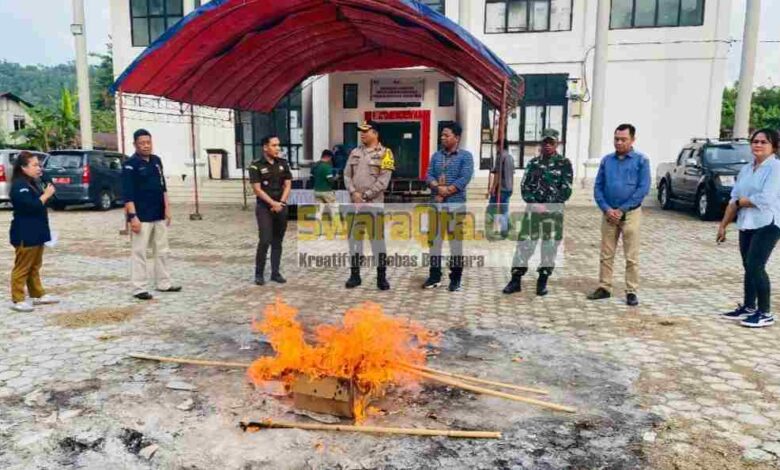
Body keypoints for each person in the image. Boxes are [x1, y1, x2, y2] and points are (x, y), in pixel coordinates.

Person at [717, 128, 780, 328]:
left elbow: (766, 198)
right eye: (755, 141)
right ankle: (749, 306)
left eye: (764, 142)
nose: (758, 145)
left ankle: (765, 312)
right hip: (746, 223)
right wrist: (723, 225)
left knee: (756, 265)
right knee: (748, 265)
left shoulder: (776, 168)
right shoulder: (746, 169)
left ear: (774, 147)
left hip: (768, 223)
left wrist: (742, 202)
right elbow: (733, 199)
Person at [587, 123, 651, 306]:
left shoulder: (641, 161)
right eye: (616, 139)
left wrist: (622, 209)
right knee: (606, 253)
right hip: (609, 213)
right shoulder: (607, 161)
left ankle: (631, 291)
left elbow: (643, 189)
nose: (619, 142)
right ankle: (604, 287)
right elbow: (598, 187)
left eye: (623, 139)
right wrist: (607, 209)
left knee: (631, 255)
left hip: (631, 213)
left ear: (632, 140)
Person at [503, 129, 572, 296]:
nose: (547, 146)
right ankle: (515, 280)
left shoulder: (564, 163)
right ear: (541, 143)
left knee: (549, 247)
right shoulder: (533, 163)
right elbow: (525, 186)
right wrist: (534, 203)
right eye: (545, 142)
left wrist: (547, 206)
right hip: (533, 212)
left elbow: (566, 190)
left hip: (553, 213)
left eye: (551, 143)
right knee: (524, 245)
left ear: (557, 144)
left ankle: (542, 281)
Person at [122, 129, 181, 300]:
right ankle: (139, 288)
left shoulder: (156, 161)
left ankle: (164, 283)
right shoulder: (130, 165)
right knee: (139, 252)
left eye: (148, 142)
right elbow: (128, 194)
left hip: (158, 214)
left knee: (162, 250)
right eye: (142, 143)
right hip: (141, 216)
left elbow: (163, 187)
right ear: (135, 145)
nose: (146, 146)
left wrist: (167, 208)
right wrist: (133, 217)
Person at [423, 121, 474, 292]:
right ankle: (434, 275)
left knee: (455, 243)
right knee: (434, 242)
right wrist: (437, 187)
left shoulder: (465, 156)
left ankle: (455, 278)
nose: (443, 138)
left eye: (447, 135)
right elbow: (428, 174)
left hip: (455, 206)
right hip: (436, 206)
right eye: (442, 135)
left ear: (457, 138)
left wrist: (446, 191)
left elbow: (464, 178)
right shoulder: (436, 156)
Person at [343, 120, 394, 290]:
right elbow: (347, 175)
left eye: (366, 130)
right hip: (354, 205)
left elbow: (384, 181)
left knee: (377, 242)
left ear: (375, 133)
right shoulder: (355, 152)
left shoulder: (386, 153)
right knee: (354, 242)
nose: (362, 133)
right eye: (361, 131)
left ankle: (381, 277)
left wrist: (364, 196)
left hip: (373, 205)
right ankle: (355, 276)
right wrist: (353, 192)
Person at [8, 151, 59, 312]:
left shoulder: (33, 182)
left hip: (38, 230)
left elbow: (44, 203)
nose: (39, 168)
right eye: (35, 165)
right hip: (25, 232)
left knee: (35, 265)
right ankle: (18, 299)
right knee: (22, 266)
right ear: (23, 167)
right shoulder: (19, 186)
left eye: (39, 165)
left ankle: (37, 294)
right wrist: (45, 195)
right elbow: (29, 206)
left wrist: (48, 190)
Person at [249, 134, 293, 286]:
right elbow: (257, 189)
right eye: (274, 145)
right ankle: (259, 274)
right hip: (264, 207)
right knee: (265, 240)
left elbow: (287, 185)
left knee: (277, 241)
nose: (277, 148)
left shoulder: (283, 163)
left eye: (278, 145)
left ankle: (275, 273)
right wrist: (272, 203)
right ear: (265, 147)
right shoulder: (256, 165)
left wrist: (281, 202)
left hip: (281, 206)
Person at [486, 137, 515, 237]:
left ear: (499, 146)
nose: (496, 148)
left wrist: (493, 188)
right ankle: (506, 228)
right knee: (504, 209)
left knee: (491, 208)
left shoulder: (500, 156)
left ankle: (503, 229)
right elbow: (512, 174)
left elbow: (497, 174)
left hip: (501, 188)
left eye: (496, 146)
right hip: (509, 188)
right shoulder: (510, 157)